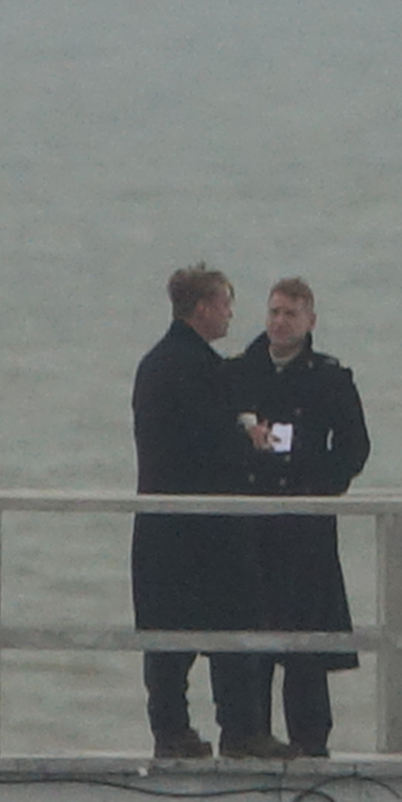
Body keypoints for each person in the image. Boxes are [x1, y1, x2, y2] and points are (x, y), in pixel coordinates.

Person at [131, 264, 285, 759]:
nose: (229, 314)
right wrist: (252, 443)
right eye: (224, 304)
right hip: (205, 525)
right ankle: (239, 730)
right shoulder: (196, 368)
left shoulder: (157, 363)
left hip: (162, 523)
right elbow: (209, 446)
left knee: (167, 637)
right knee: (236, 626)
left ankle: (171, 731)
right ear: (202, 309)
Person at [224, 278, 371, 758]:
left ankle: (311, 744)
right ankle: (250, 738)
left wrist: (316, 486)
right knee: (254, 640)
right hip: (252, 524)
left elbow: (353, 449)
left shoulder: (329, 378)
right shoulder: (239, 373)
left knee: (305, 644)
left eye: (290, 313)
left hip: (305, 528)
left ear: (310, 320)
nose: (279, 322)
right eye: (273, 312)